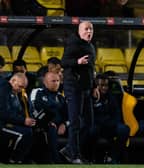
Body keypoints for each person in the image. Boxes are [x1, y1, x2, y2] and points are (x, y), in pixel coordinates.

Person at [60, 21, 96, 164]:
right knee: (75, 122)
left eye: (91, 29)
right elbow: (63, 62)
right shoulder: (73, 44)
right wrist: (77, 61)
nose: (89, 31)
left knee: (89, 123)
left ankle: (70, 148)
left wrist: (94, 87)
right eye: (86, 29)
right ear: (79, 31)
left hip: (86, 88)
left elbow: (91, 69)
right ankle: (74, 154)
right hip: (74, 87)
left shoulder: (91, 46)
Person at [30, 72, 68, 163]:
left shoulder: (60, 97)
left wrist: (64, 124)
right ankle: (55, 161)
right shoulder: (37, 92)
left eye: (58, 81)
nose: (56, 83)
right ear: (45, 82)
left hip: (60, 125)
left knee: (80, 125)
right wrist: (47, 121)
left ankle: (73, 155)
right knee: (51, 128)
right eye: (53, 81)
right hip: (43, 124)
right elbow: (34, 110)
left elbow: (67, 115)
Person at [92, 73, 130, 163]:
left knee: (124, 129)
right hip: (97, 126)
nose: (105, 88)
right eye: (102, 85)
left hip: (110, 125)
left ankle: (114, 157)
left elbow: (117, 114)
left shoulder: (111, 97)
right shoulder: (90, 98)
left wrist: (111, 124)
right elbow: (90, 116)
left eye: (106, 85)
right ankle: (92, 158)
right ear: (96, 86)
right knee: (91, 130)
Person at [0, 72, 36, 163]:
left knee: (30, 131)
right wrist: (23, 120)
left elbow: (18, 111)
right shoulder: (4, 88)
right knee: (24, 133)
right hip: (2, 123)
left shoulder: (15, 92)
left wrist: (29, 119)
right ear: (13, 80)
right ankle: (14, 160)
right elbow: (3, 112)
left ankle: (17, 159)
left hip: (8, 122)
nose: (21, 90)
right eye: (20, 86)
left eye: (23, 87)